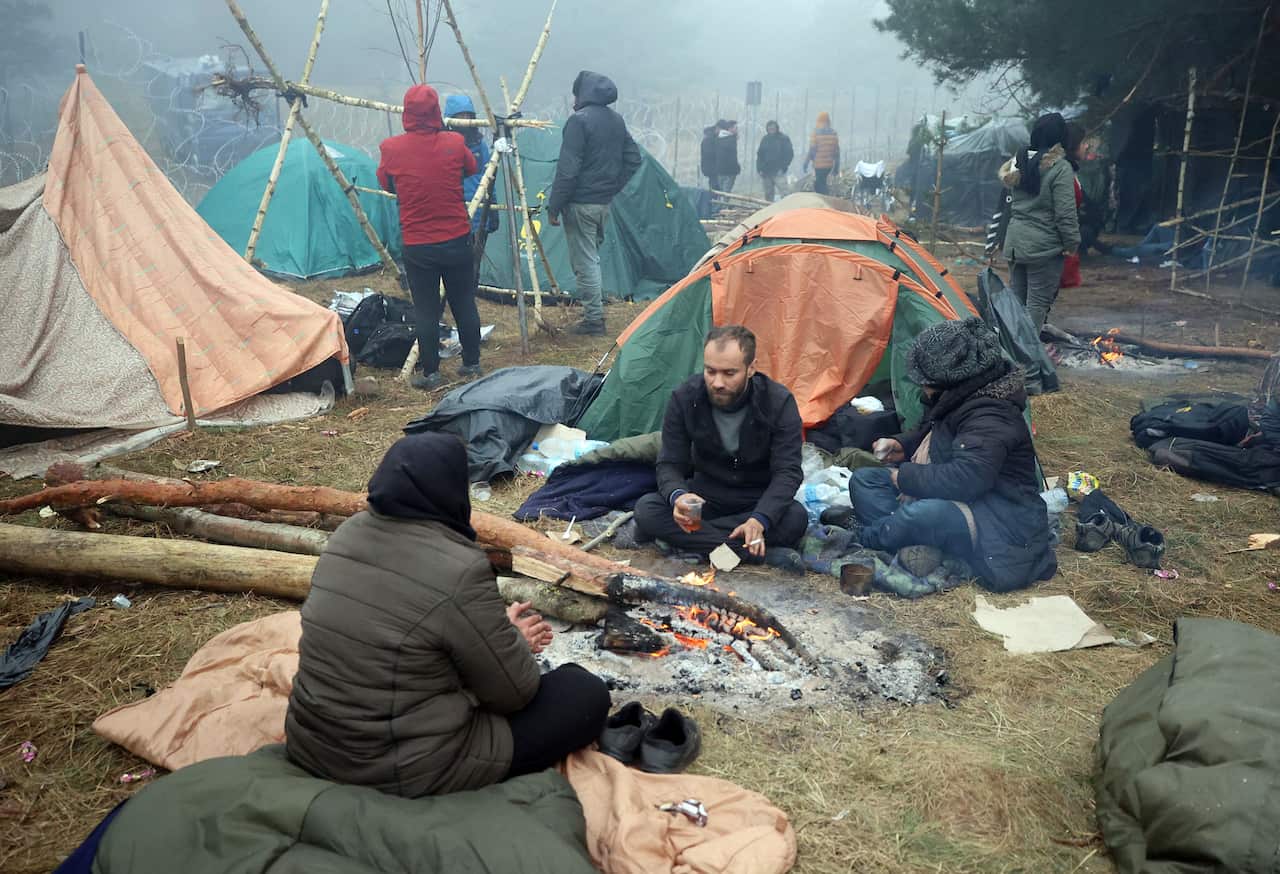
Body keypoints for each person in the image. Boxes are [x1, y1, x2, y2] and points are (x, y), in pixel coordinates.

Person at [286, 432, 611, 798]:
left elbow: (406, 632)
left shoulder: (346, 535)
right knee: (584, 692)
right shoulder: (460, 568)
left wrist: (492, 631)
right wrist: (513, 641)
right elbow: (514, 693)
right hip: (393, 767)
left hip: (311, 743)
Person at [847, 318, 1057, 592]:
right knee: (865, 480)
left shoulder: (992, 414)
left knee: (923, 515)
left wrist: (904, 477)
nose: (923, 388)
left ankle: (867, 536)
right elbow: (934, 434)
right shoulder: (962, 397)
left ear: (952, 380)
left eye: (927, 382)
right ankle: (912, 541)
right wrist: (901, 445)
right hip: (956, 501)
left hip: (995, 518)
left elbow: (966, 479)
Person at [633, 325, 808, 572]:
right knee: (647, 509)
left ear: (751, 369)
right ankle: (750, 553)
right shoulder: (685, 397)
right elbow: (669, 463)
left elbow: (788, 472)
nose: (717, 382)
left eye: (729, 373)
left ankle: (705, 545)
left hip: (754, 500)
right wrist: (679, 496)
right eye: (710, 371)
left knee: (795, 517)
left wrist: (759, 519)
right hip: (706, 498)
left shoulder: (778, 402)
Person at [379, 84, 483, 391]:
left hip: (418, 244)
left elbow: (386, 183)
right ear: (437, 112)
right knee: (464, 301)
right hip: (457, 238)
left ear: (406, 114)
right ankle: (472, 362)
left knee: (425, 308)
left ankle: (432, 373)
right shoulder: (453, 141)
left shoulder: (391, 148)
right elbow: (471, 167)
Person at [546, 70, 643, 336]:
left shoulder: (579, 122)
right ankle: (593, 314)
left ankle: (593, 321)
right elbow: (634, 159)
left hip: (580, 204)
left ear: (583, 93)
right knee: (592, 259)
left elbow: (568, 170)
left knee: (585, 262)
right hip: (602, 204)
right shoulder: (616, 120)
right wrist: (611, 187)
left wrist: (554, 207)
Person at [998, 112, 1081, 331]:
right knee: (1037, 303)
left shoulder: (1019, 161)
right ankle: (1029, 355)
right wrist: (1072, 244)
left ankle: (1011, 350)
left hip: (1015, 242)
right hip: (1043, 247)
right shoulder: (1060, 167)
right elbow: (1065, 213)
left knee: (1016, 301)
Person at [443, 94, 501, 286]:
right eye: (460, 116)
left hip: (478, 214)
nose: (465, 121)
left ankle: (470, 291)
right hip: (453, 211)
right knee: (453, 260)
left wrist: (492, 209)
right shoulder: (443, 145)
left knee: (474, 260)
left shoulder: (480, 145)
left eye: (468, 115)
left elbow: (489, 175)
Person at [756, 120, 794, 202]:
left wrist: (783, 167)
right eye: (769, 128)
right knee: (768, 194)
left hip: (778, 171)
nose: (771, 130)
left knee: (785, 193)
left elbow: (789, 154)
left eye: (773, 128)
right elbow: (760, 155)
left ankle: (786, 210)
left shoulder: (783, 139)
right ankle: (769, 210)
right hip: (766, 172)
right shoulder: (765, 139)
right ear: (767, 129)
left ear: (777, 128)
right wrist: (759, 168)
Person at [804, 112, 840, 195]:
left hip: (819, 164)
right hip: (829, 165)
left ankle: (824, 199)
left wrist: (807, 162)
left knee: (819, 183)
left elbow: (812, 149)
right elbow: (837, 151)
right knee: (821, 182)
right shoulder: (833, 133)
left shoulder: (815, 133)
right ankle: (823, 197)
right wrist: (836, 167)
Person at [713, 120, 741, 192]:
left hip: (720, 170)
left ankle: (719, 203)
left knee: (721, 192)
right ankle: (722, 203)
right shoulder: (731, 139)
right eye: (735, 128)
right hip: (729, 171)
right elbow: (732, 157)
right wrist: (737, 168)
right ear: (730, 129)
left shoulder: (718, 138)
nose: (737, 130)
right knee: (726, 193)